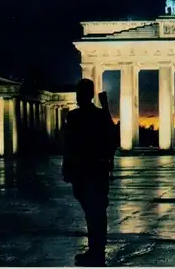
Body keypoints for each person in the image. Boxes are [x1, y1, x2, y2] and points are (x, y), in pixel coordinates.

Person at [62, 79, 117, 266]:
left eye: (80, 93)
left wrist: (67, 167)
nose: (78, 97)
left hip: (89, 170)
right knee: (94, 212)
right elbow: (112, 138)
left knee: (95, 212)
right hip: (90, 170)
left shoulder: (79, 116)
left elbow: (69, 144)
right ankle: (96, 248)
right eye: (77, 93)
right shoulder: (95, 115)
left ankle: (96, 249)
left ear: (88, 95)